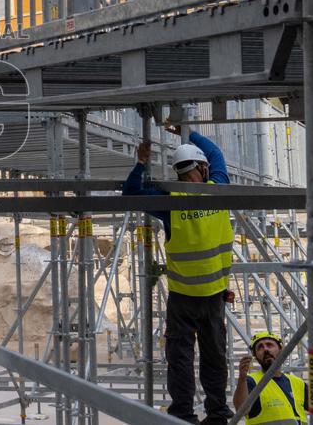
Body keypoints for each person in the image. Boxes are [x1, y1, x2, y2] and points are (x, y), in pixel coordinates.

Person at [123, 123, 234, 424]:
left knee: (181, 359)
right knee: (214, 357)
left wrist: (141, 162)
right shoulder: (219, 188)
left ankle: (183, 416)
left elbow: (131, 193)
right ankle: (217, 414)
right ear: (202, 167)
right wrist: (186, 131)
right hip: (214, 296)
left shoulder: (171, 201)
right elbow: (216, 153)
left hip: (183, 297)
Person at [233, 330, 313, 423]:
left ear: (281, 350)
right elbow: (241, 410)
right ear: (255, 355)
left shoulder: (297, 383)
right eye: (260, 347)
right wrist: (242, 378)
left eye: (269, 345)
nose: (265, 349)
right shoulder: (250, 381)